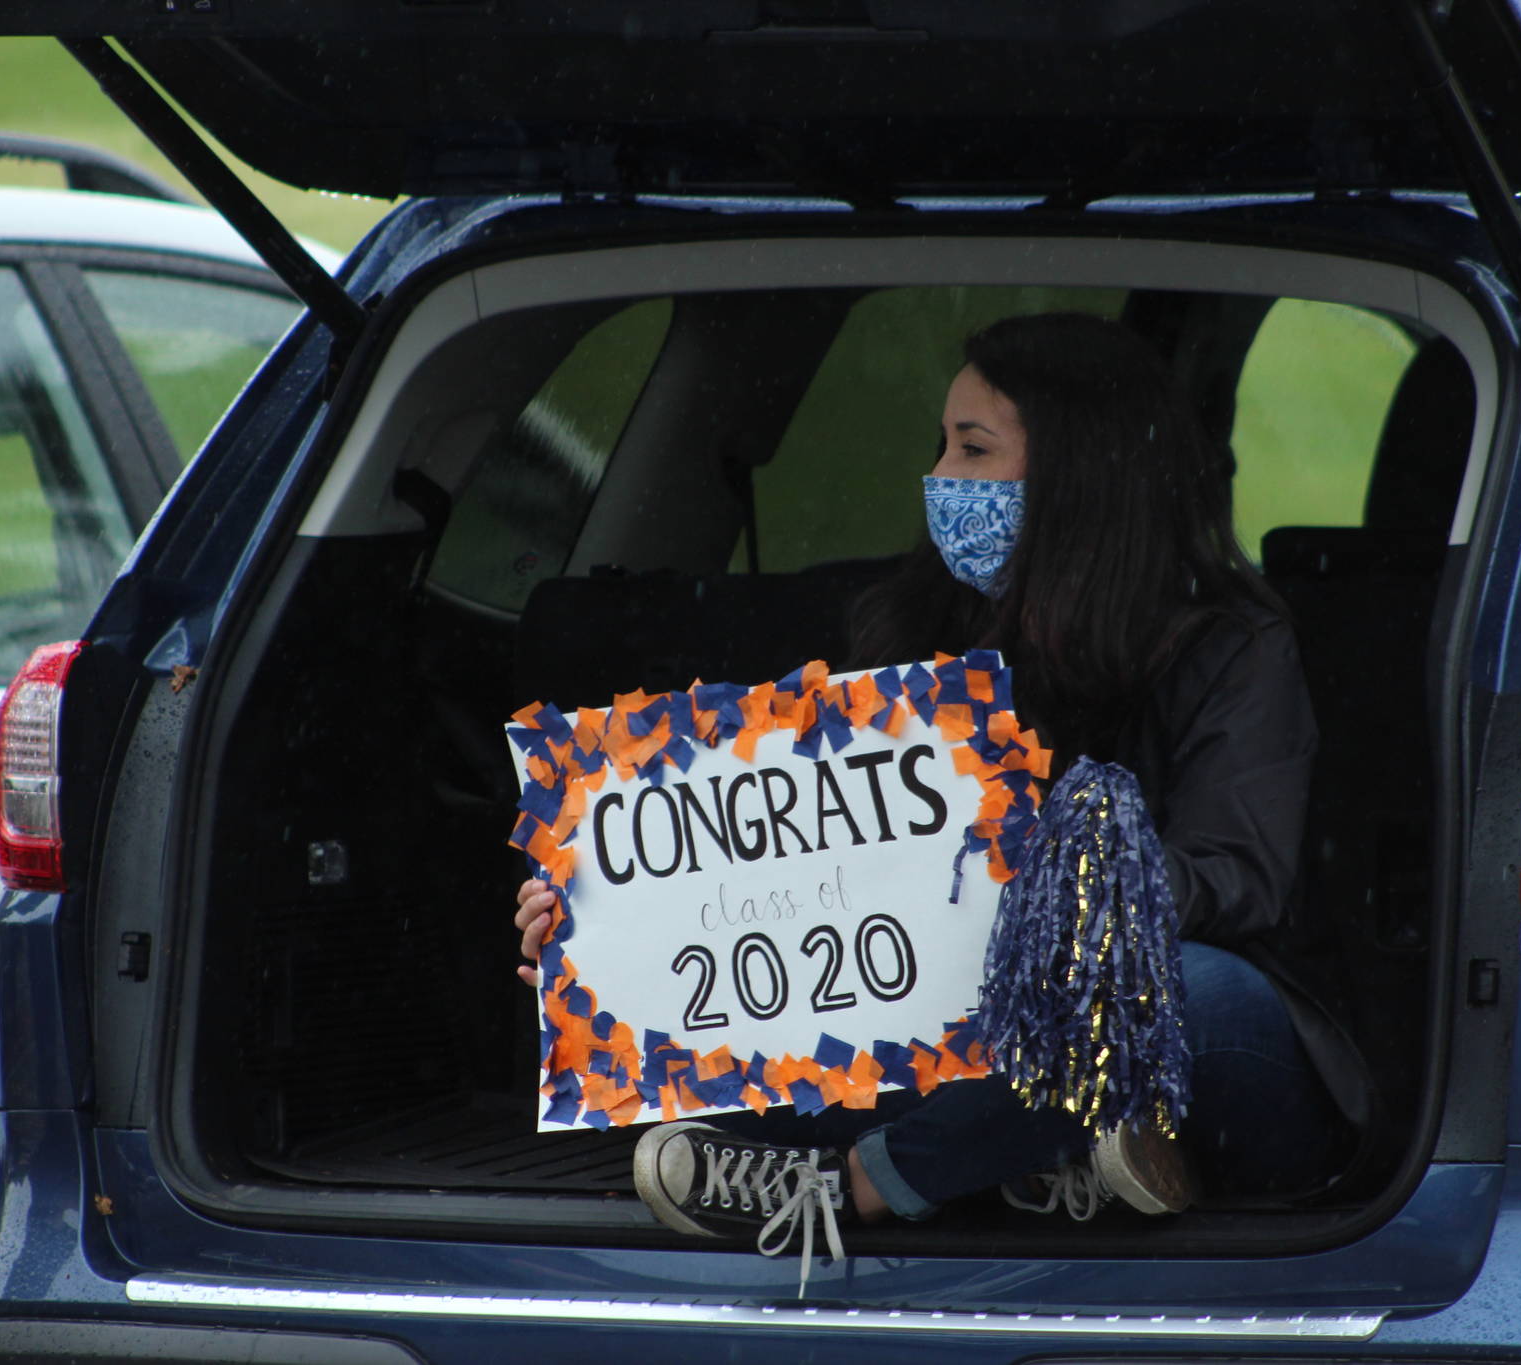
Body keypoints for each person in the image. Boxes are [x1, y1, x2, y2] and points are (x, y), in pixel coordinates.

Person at [512, 311, 1361, 1264]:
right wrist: (605, 940)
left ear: (1079, 477)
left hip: (1197, 1031)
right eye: (942, 445)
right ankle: (1044, 1156)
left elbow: (1239, 876)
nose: (941, 478)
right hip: (967, 1033)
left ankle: (862, 1185)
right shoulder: (907, 632)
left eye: (974, 447)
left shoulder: (1234, 645)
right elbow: (801, 895)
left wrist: (1046, 897)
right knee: (783, 1057)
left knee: (1148, 987)